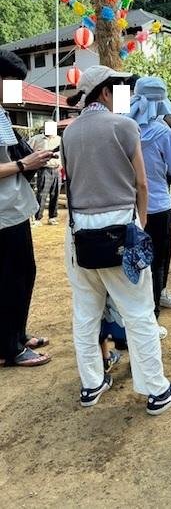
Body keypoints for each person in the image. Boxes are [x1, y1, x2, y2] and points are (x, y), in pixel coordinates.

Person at [62, 65, 171, 413]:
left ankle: (92, 383)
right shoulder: (124, 126)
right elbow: (141, 184)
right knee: (139, 312)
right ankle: (156, 391)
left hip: (79, 235)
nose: (127, 98)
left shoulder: (69, 134)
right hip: (121, 229)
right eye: (120, 90)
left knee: (85, 314)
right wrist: (141, 225)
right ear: (104, 92)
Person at [0, 49, 52, 367]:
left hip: (14, 208)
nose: (17, 91)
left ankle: (15, 335)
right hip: (3, 214)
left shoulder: (3, 114)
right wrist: (24, 162)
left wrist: (30, 155)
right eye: (12, 83)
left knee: (21, 274)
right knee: (11, 278)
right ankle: (11, 348)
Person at [128, 77, 171, 339]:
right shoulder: (163, 131)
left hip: (131, 207)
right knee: (158, 260)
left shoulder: (125, 127)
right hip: (158, 206)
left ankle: (136, 316)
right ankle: (152, 318)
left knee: (134, 261)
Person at [29, 127, 61, 226]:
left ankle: (52, 217)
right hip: (44, 169)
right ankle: (38, 218)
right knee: (42, 194)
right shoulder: (36, 139)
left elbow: (63, 153)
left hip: (57, 169)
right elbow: (27, 150)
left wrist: (62, 165)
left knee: (55, 194)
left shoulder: (59, 139)